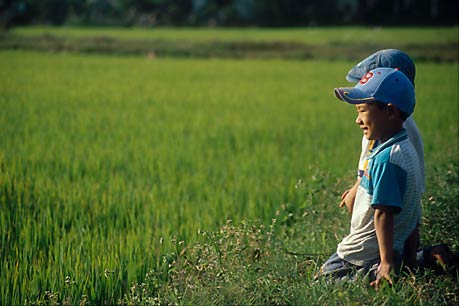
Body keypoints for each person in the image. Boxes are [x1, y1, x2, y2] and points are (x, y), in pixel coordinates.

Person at [319, 67, 423, 288]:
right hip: (390, 247)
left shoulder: (386, 160)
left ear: (390, 112)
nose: (358, 120)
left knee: (323, 280)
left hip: (363, 253)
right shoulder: (404, 149)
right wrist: (411, 258)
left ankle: (381, 273)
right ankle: (404, 264)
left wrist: (385, 262)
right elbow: (414, 210)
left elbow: (383, 214)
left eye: (362, 111)